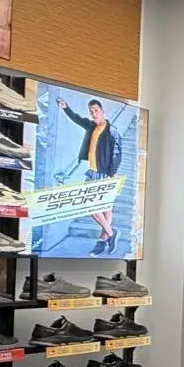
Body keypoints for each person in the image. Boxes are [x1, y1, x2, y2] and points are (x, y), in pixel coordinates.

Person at [57, 95, 120, 254]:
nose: (93, 114)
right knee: (97, 207)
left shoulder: (112, 131)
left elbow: (117, 154)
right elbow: (76, 119)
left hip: (103, 174)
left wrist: (110, 174)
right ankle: (110, 235)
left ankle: (104, 238)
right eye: (91, 111)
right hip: (91, 172)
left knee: (100, 207)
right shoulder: (91, 126)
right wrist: (66, 108)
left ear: (103, 111)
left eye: (96, 110)